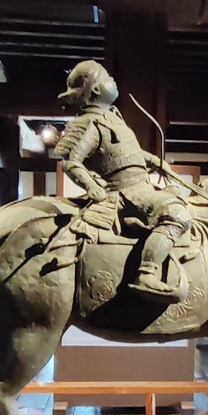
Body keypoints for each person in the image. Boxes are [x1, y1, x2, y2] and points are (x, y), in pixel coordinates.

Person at [54, 60, 192, 304]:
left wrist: (156, 162)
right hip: (127, 192)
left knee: (181, 195)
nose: (113, 80)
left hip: (143, 186)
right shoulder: (90, 123)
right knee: (177, 214)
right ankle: (147, 273)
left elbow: (131, 154)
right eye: (107, 77)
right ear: (96, 90)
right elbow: (71, 161)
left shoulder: (113, 118)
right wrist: (93, 187)